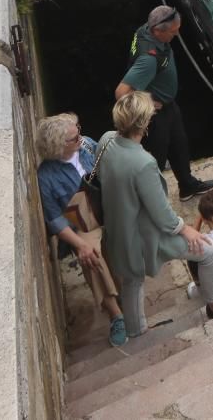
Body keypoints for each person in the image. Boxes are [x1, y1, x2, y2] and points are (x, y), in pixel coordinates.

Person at [98, 92, 213, 333]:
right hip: (143, 238)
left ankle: (136, 331)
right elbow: (161, 214)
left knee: (132, 281)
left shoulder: (106, 140)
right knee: (211, 251)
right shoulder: (143, 163)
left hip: (116, 232)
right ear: (144, 123)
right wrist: (186, 228)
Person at [35, 113, 127, 346]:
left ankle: (128, 286)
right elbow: (54, 220)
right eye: (74, 137)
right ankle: (116, 314)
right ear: (58, 145)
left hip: (108, 209)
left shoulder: (86, 145)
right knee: (90, 254)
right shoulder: (46, 176)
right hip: (84, 225)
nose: (80, 137)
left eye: (78, 131)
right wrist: (79, 244)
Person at [116, 5, 213, 200]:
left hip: (169, 105)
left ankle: (187, 185)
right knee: (157, 158)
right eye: (173, 31)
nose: (177, 34)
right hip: (155, 115)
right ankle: (151, 200)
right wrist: (148, 104)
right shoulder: (148, 59)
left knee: (179, 145)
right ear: (157, 30)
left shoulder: (145, 30)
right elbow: (121, 92)